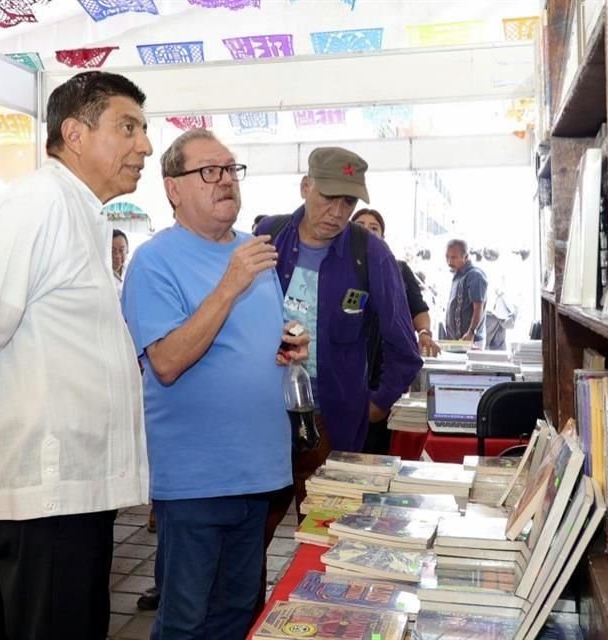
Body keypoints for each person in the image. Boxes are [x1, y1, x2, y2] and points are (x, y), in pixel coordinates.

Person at [0, 70, 153, 640]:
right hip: (47, 499)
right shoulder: (36, 205)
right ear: (74, 133)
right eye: (128, 128)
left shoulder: (80, 213)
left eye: (143, 130)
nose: (144, 145)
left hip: (69, 494)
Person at [121, 128, 306, 639]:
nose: (225, 180)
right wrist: (229, 285)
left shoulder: (252, 251)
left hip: (260, 470)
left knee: (238, 614)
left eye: (230, 169)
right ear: (173, 188)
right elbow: (166, 361)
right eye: (208, 171)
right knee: (186, 621)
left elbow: (260, 338)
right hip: (197, 479)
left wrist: (290, 343)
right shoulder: (154, 261)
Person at [255, 147, 422, 610]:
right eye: (328, 197)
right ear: (305, 186)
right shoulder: (267, 238)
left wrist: (376, 404)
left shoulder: (370, 254)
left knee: (328, 548)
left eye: (348, 202)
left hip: (333, 428)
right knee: (248, 545)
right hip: (262, 418)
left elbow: (404, 348)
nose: (337, 212)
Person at [351, 208, 440, 454]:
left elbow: (419, 309)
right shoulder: (339, 269)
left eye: (374, 227)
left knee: (377, 447)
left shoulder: (398, 269)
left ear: (382, 236)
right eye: (359, 225)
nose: (366, 231)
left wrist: (424, 333)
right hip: (346, 376)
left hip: (383, 373)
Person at [444, 238, 488, 344]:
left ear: (466, 257)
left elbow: (478, 308)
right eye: (447, 257)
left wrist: (471, 332)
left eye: (454, 257)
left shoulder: (474, 275)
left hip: (470, 340)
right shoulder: (458, 276)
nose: (449, 262)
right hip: (457, 341)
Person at [111, 228, 128, 298]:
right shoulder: (102, 275)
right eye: (113, 251)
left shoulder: (131, 268)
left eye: (121, 250)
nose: (117, 256)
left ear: (127, 250)